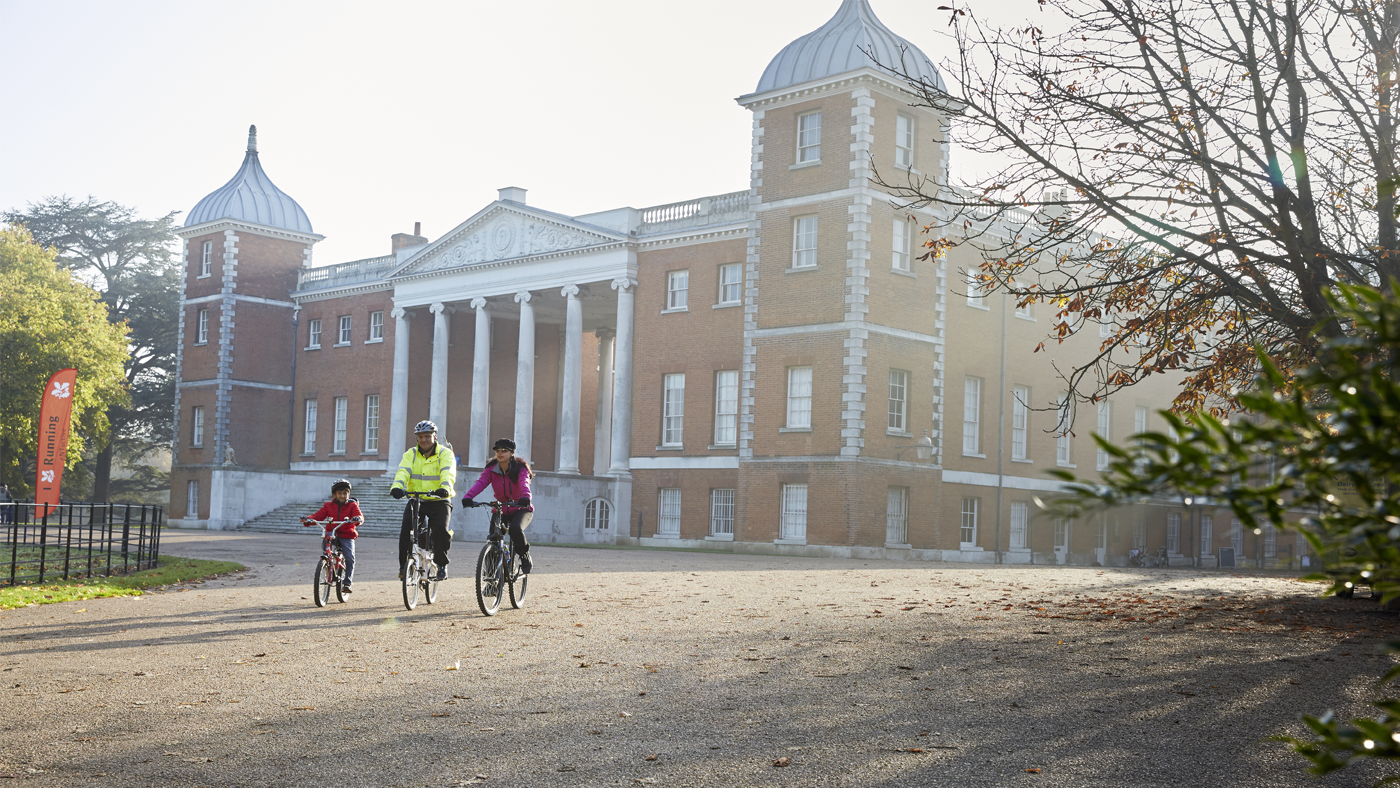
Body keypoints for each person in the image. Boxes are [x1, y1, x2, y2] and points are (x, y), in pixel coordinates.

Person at [390, 420, 456, 580]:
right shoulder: (411, 454)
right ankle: (404, 565)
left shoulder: (445, 453)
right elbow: (403, 471)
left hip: (439, 499)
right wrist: (397, 486)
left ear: (434, 437)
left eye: (427, 436)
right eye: (420, 436)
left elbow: (448, 472)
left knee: (441, 530)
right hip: (417, 499)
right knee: (406, 530)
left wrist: (445, 487)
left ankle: (441, 564)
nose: (424, 439)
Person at [461, 438, 535, 574]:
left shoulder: (520, 467)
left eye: (504, 450)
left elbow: (524, 482)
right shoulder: (491, 468)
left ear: (512, 453)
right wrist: (468, 497)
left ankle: (524, 555)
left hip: (521, 508)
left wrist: (526, 498)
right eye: (497, 450)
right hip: (501, 509)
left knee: (515, 530)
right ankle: (490, 582)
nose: (500, 453)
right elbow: (481, 482)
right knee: (493, 540)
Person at [300, 479, 363, 593]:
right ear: (334, 495)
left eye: (345, 493)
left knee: (349, 557)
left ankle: (347, 583)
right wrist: (308, 519)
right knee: (326, 545)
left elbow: (359, 516)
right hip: (332, 533)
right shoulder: (328, 506)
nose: (342, 495)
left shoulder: (352, 506)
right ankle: (328, 562)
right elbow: (318, 516)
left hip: (346, 535)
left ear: (349, 494)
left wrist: (356, 519)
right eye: (339, 493)